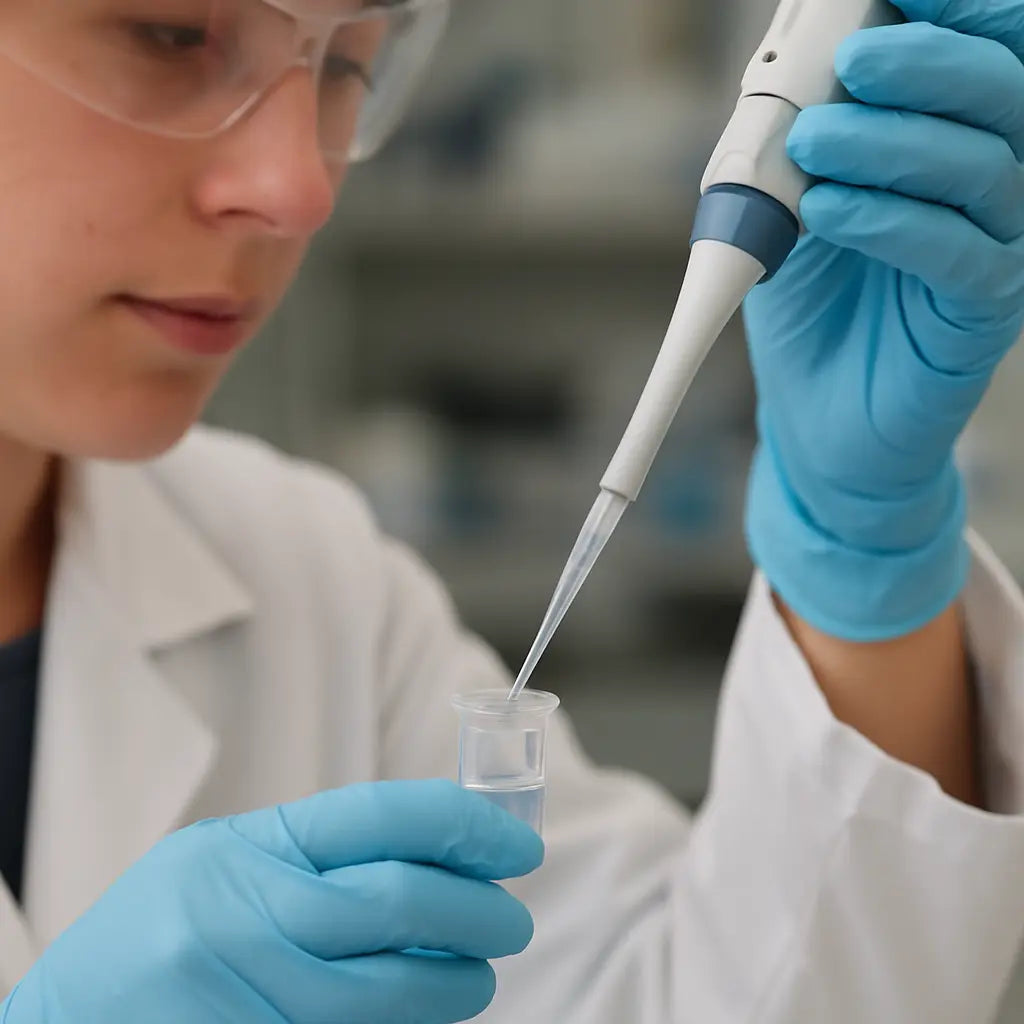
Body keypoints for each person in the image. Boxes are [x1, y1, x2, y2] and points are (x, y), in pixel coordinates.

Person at [0, 0, 1023, 1021]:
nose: (297, 189)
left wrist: (857, 544)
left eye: (347, 66)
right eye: (172, 37)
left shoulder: (311, 588)